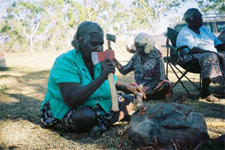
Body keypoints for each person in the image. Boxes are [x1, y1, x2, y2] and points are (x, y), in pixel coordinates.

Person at [40, 21, 145, 136]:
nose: (99, 49)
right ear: (80, 41)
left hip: (95, 105)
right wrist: (101, 77)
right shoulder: (65, 61)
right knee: (85, 117)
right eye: (94, 44)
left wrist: (127, 87)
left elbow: (112, 80)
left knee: (128, 101)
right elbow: (72, 100)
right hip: (65, 110)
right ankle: (107, 120)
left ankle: (100, 123)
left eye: (101, 44)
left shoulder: (97, 58)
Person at [176, 8, 225, 102]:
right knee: (210, 57)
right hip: (189, 57)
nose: (201, 19)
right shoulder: (185, 33)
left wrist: (221, 48)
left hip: (210, 54)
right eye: (198, 18)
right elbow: (193, 49)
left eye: (201, 17)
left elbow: (217, 43)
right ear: (189, 21)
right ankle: (205, 92)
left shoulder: (204, 29)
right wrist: (214, 53)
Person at [113, 32, 172, 102]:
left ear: (146, 46)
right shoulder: (136, 57)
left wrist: (147, 89)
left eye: (138, 47)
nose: (136, 50)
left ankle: (142, 94)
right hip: (140, 86)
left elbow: (160, 78)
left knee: (165, 85)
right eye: (136, 47)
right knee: (125, 85)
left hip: (155, 85)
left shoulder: (156, 55)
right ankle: (143, 94)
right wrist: (114, 59)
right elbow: (124, 70)